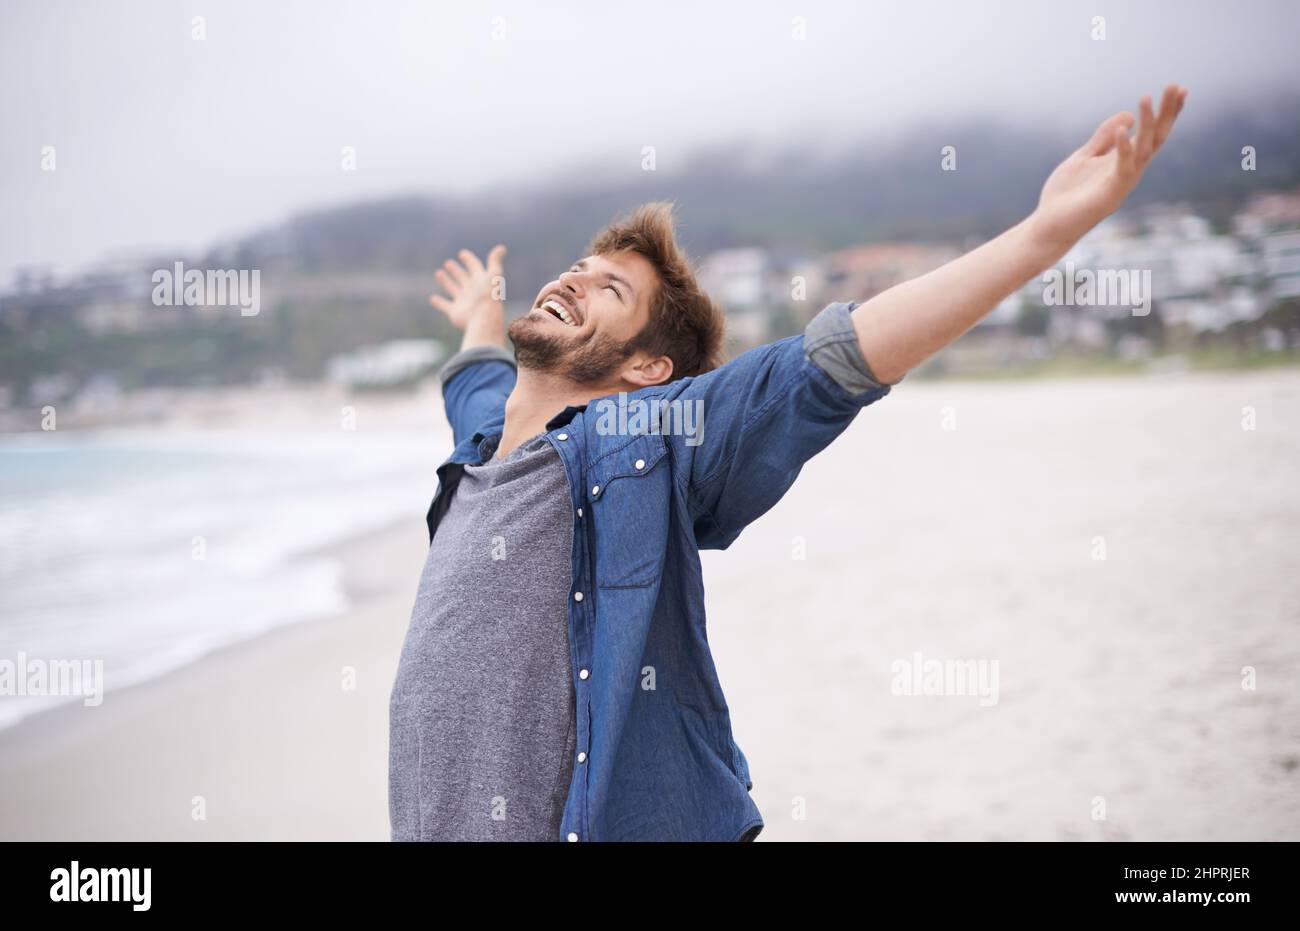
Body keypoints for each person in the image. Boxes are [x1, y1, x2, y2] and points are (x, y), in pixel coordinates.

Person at [388, 85, 1188, 842]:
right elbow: (479, 382)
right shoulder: (479, 452)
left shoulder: (646, 438)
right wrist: (479, 322)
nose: (573, 278)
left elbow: (833, 360)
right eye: (578, 269)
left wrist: (1044, 236)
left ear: (646, 369)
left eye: (610, 290)